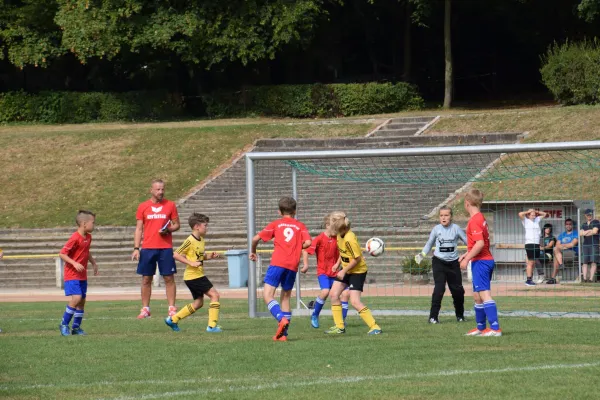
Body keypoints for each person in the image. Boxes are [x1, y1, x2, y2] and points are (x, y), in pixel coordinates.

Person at [250, 196, 312, 341]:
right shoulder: (300, 226)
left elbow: (255, 239)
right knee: (285, 298)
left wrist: (253, 251)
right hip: (292, 265)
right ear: (295, 211)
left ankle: (280, 319)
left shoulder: (276, 224)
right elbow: (308, 242)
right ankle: (283, 335)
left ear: (279, 212)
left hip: (278, 262)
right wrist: (297, 247)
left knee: (267, 295)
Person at [325, 211, 382, 335]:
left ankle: (375, 327)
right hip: (347, 270)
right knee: (334, 295)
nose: (329, 225)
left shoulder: (349, 239)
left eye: (330, 223)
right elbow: (344, 252)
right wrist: (337, 264)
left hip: (357, 271)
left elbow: (357, 259)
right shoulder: (340, 235)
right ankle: (339, 327)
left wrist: (343, 271)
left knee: (355, 301)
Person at [131, 179, 181, 319]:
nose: (161, 192)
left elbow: (177, 224)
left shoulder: (170, 205)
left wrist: (169, 229)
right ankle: (145, 309)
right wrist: (136, 248)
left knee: (169, 278)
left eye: (162, 189)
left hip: (165, 247)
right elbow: (139, 228)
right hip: (147, 248)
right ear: (151, 190)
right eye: (158, 189)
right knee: (146, 279)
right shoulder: (143, 206)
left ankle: (172, 308)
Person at [165, 213, 222, 332]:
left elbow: (199, 257)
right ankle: (212, 326)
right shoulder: (189, 240)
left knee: (198, 303)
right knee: (214, 295)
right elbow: (175, 254)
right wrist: (190, 263)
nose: (206, 228)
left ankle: (173, 319)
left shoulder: (201, 240)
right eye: (205, 225)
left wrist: (209, 256)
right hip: (194, 276)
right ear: (197, 226)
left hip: (197, 275)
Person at [459, 189, 502, 337]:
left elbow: (479, 244)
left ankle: (495, 329)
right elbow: (477, 244)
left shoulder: (475, 220)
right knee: (477, 296)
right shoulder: (480, 218)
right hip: (482, 260)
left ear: (467, 203)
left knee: (484, 295)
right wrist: (466, 254)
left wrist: (466, 259)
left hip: (482, 262)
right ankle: (481, 328)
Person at [416, 205, 466, 324]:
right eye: (441, 215)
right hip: (439, 262)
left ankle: (460, 316)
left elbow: (469, 242)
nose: (443, 218)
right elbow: (429, 244)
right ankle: (433, 317)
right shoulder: (436, 229)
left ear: (451, 217)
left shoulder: (456, 228)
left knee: (457, 290)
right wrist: (422, 255)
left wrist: (466, 255)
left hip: (454, 263)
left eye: (446, 215)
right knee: (439, 289)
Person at [301, 213, 349, 329]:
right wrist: (306, 264)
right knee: (325, 292)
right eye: (335, 227)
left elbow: (343, 252)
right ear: (327, 225)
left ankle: (340, 322)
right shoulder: (319, 239)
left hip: (337, 273)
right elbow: (306, 250)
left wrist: (338, 264)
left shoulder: (338, 238)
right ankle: (315, 315)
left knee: (346, 294)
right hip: (323, 273)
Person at [58, 210, 98, 336]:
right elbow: (62, 254)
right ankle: (64, 324)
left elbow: (86, 251)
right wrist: (74, 263)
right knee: (76, 298)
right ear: (84, 224)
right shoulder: (75, 238)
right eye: (93, 222)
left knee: (82, 301)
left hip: (82, 274)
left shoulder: (88, 237)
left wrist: (93, 263)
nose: (94, 225)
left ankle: (76, 328)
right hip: (72, 274)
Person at [518, 208, 548, 286]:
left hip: (536, 244)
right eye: (532, 215)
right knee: (530, 262)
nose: (534, 216)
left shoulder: (537, 220)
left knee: (533, 262)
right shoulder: (526, 221)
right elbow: (520, 214)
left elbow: (544, 214)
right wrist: (528, 211)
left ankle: (530, 278)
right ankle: (528, 280)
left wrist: (536, 211)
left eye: (534, 215)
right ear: (528, 215)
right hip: (530, 243)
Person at [549, 218, 579, 284]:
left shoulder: (576, 233)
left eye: (570, 224)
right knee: (555, 250)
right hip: (561, 253)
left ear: (572, 225)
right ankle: (561, 264)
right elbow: (557, 245)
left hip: (572, 253)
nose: (568, 225)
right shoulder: (562, 235)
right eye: (567, 224)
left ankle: (553, 278)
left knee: (556, 256)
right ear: (565, 225)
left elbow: (572, 244)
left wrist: (562, 246)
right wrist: (565, 246)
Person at [579, 209, 600, 283]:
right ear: (585, 215)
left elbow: (594, 231)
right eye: (588, 215)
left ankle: (591, 279)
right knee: (584, 262)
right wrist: (589, 231)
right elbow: (580, 234)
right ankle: (584, 279)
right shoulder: (583, 224)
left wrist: (585, 232)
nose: (589, 216)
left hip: (594, 244)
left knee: (593, 262)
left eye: (590, 214)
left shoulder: (596, 222)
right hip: (586, 244)